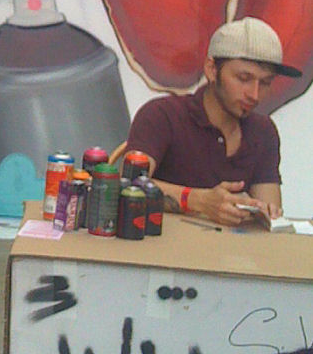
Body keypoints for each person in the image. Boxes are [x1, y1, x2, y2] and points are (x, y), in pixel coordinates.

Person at [126, 16, 300, 227]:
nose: (254, 94)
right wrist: (198, 201)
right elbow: (129, 184)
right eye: (243, 78)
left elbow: (271, 215)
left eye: (265, 83)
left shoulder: (263, 131)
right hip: (163, 244)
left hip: (234, 247)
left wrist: (265, 212)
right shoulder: (162, 115)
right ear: (211, 69)